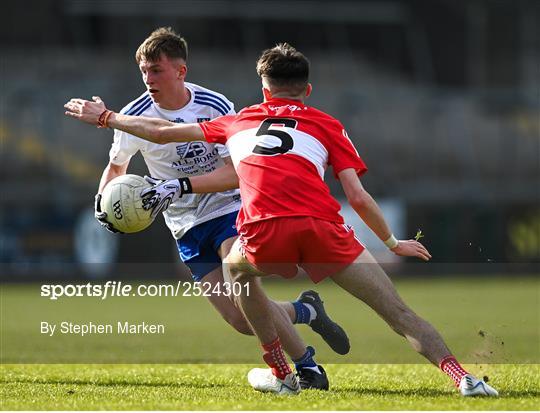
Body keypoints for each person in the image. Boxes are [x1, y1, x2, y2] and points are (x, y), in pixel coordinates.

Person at [64, 43, 499, 398]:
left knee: (237, 269)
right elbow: (359, 198)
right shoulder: (329, 124)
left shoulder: (238, 118)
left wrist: (104, 116)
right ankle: (464, 379)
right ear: (307, 90)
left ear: (264, 90)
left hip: (262, 230)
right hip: (323, 229)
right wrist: (391, 242)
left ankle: (281, 372)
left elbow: (158, 133)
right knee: (399, 314)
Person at [86, 28, 351, 390]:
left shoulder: (214, 104)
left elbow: (236, 170)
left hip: (228, 208)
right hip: (184, 225)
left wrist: (180, 184)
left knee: (241, 281)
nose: (148, 79)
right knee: (241, 320)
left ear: (180, 71)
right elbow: (117, 168)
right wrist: (104, 204)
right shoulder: (135, 115)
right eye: (144, 71)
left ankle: (306, 368)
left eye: (156, 70)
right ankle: (306, 310)